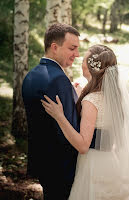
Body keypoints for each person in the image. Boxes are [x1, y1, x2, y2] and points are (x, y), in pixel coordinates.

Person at [41, 44, 129, 200]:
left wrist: (59, 116)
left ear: (90, 66)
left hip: (93, 167)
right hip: (111, 162)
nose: (81, 60)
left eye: (85, 59)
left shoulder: (92, 100)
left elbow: (83, 145)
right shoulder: (114, 96)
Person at [22, 23, 96, 200]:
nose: (77, 55)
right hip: (62, 165)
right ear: (54, 47)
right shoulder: (58, 80)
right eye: (72, 48)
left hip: (42, 160)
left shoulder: (32, 75)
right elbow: (71, 127)